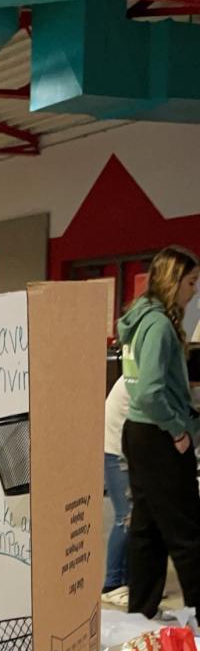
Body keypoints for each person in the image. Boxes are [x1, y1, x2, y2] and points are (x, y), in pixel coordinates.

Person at [118, 245, 200, 620]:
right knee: (186, 529)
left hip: (140, 432)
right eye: (191, 282)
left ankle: (142, 612)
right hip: (158, 435)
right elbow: (150, 392)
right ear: (173, 281)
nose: (194, 291)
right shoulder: (160, 326)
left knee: (148, 527)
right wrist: (177, 429)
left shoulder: (140, 319)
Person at [102, 375, 131, 607]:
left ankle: (129, 582)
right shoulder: (140, 375)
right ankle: (112, 585)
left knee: (134, 518)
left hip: (124, 450)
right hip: (116, 452)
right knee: (125, 517)